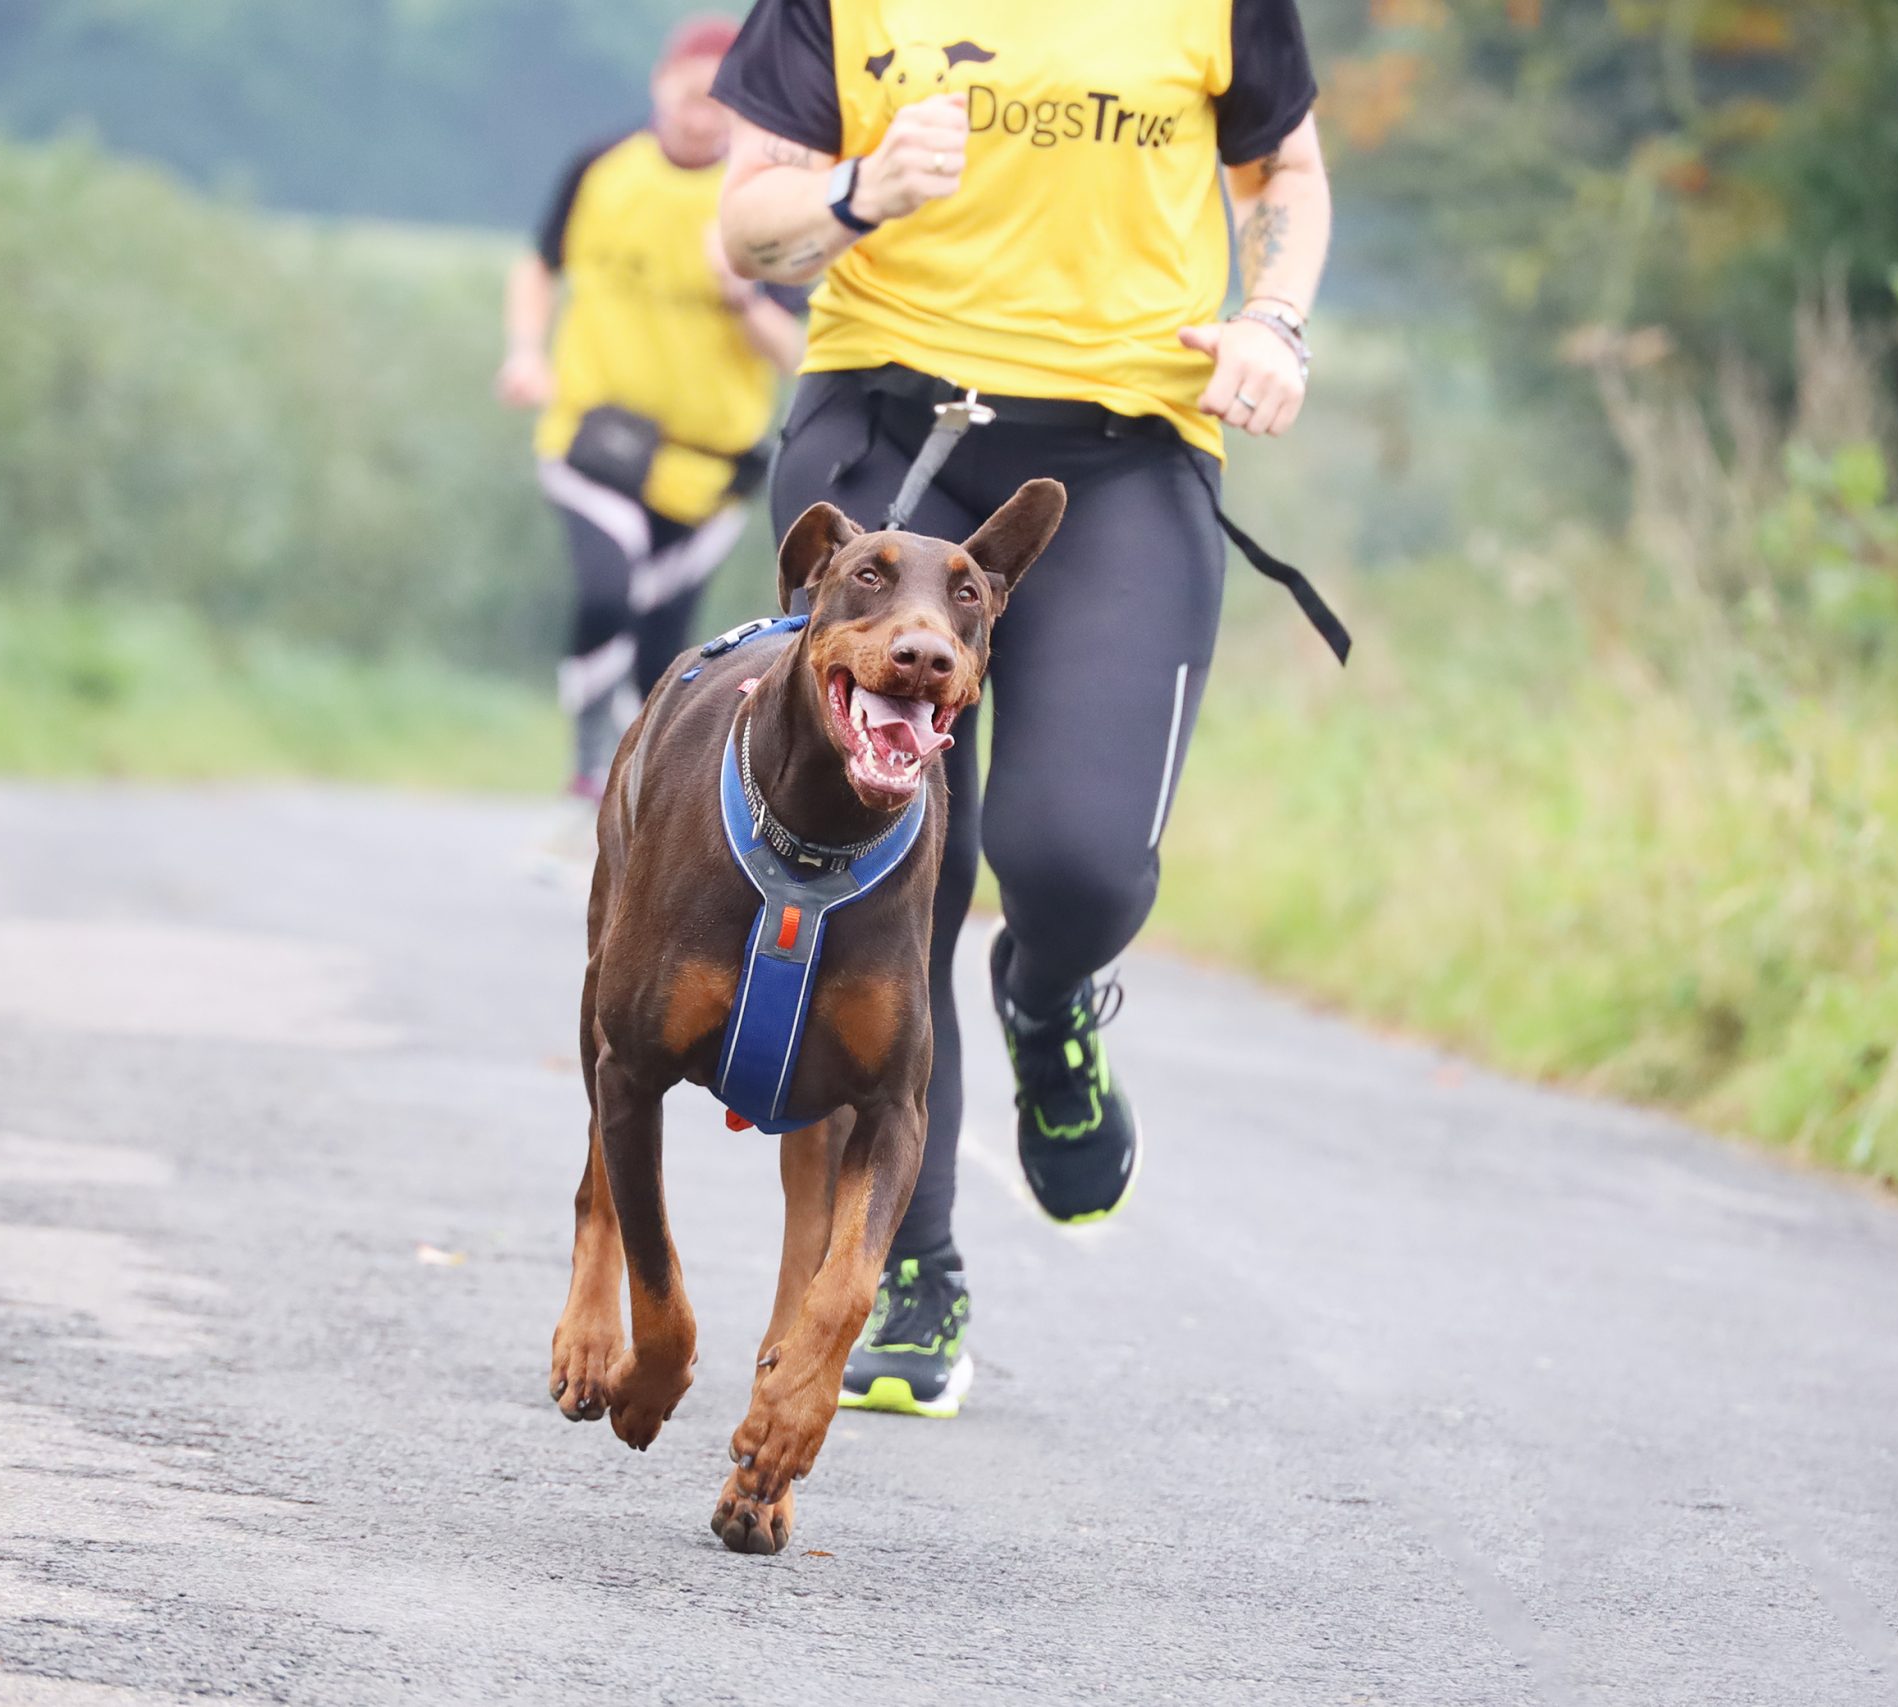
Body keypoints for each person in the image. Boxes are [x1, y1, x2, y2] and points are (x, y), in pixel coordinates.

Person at [712, 0, 1336, 1417]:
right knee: (881, 875)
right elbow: (750, 220)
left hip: (1123, 453)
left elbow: (1283, 169)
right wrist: (857, 193)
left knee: (1076, 858)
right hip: (886, 429)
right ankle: (907, 1265)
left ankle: (1048, 1004)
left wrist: (1273, 320)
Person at [497, 15, 809, 798]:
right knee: (606, 588)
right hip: (595, 439)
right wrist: (526, 352)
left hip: (710, 467)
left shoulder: (763, 199)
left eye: (717, 99)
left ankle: (635, 791)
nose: (700, 113)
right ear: (659, 87)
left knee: (666, 649)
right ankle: (586, 757)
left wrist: (742, 296)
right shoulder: (601, 168)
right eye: (686, 93)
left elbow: (800, 350)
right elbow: (538, 265)